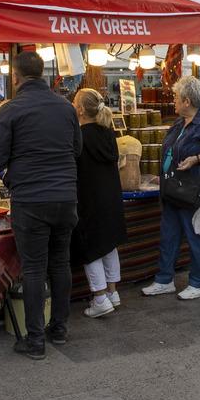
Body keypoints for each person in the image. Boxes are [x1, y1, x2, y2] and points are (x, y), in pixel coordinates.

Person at [0, 51, 82, 360]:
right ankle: (60, 329)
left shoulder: (10, 109)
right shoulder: (66, 107)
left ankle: (35, 339)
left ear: (15, 77)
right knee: (61, 263)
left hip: (31, 199)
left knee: (35, 268)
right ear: (43, 73)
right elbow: (77, 148)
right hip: (65, 196)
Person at [143, 75, 200, 301]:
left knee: (196, 235)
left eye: (175, 97)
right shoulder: (180, 122)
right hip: (173, 188)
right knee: (168, 236)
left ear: (187, 101)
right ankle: (164, 280)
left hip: (193, 189)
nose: (173, 101)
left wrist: (197, 159)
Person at [70, 88, 127, 319]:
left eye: (75, 103)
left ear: (81, 110)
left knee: (91, 248)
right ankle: (113, 293)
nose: (73, 106)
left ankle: (100, 298)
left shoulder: (79, 137)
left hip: (89, 200)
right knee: (109, 244)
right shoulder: (108, 134)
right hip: (111, 198)